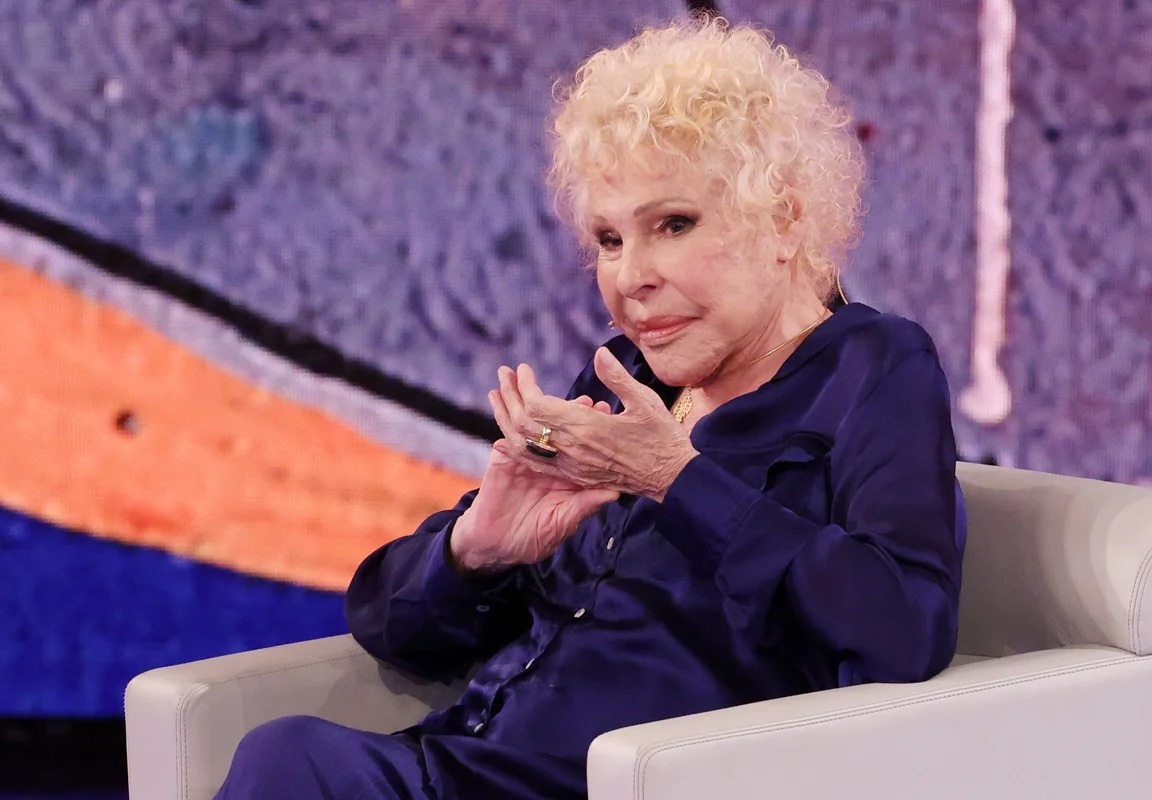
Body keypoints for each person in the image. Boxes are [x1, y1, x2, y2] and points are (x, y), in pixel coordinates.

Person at [216, 16, 967, 800]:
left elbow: (904, 629)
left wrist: (678, 481)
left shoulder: (873, 368)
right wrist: (477, 551)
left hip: (645, 787)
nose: (630, 278)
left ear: (783, 218)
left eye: (673, 225)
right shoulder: (625, 376)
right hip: (465, 769)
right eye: (609, 240)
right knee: (291, 754)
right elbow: (394, 633)